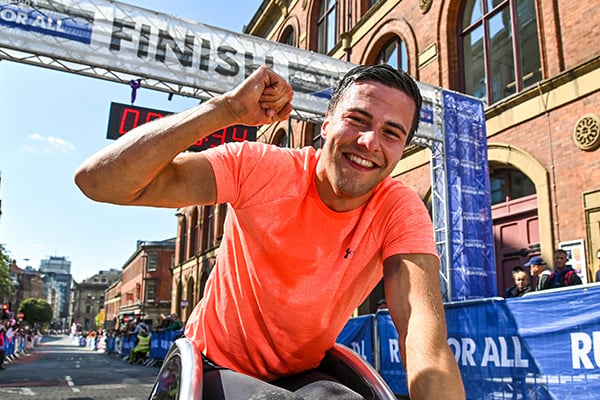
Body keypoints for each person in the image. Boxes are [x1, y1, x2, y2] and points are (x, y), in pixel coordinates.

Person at [75, 64, 465, 399]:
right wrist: (223, 110)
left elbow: (423, 333)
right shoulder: (260, 167)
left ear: (402, 149)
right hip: (213, 364)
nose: (369, 142)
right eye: (358, 120)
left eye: (391, 134)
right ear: (326, 123)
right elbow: (98, 182)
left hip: (303, 374)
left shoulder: (399, 208)